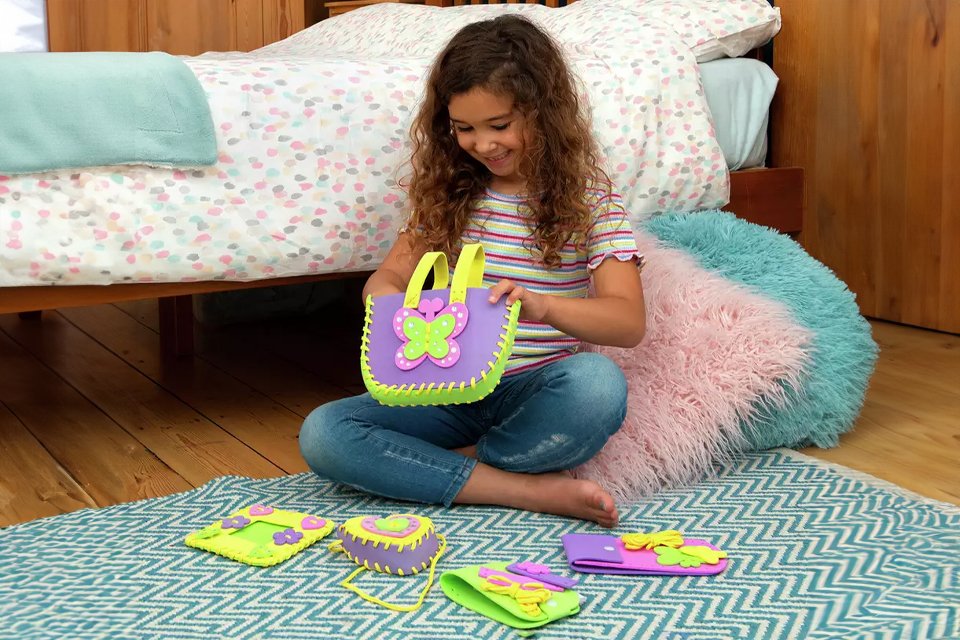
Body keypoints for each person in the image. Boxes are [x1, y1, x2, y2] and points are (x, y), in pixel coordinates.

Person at [300, 15, 645, 528]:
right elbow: (388, 279)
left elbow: (628, 322)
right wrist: (388, 304)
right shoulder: (449, 194)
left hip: (534, 391)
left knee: (597, 386)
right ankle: (522, 488)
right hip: (444, 391)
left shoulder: (591, 200)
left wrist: (544, 306)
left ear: (544, 111)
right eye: (464, 129)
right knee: (325, 433)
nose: (483, 145)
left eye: (499, 126)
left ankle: (445, 469)